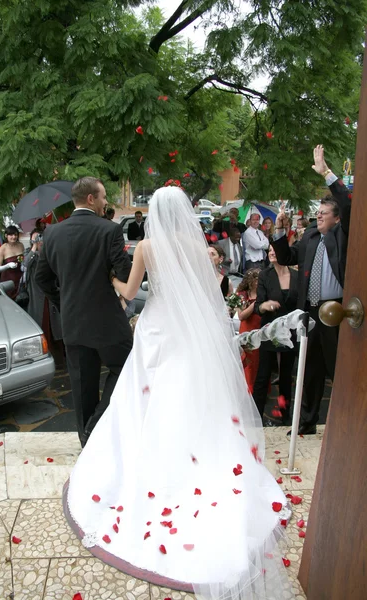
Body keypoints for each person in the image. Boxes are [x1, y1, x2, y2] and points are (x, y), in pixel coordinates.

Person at [64, 186, 290, 600]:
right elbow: (207, 292)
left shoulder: (147, 246)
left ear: (154, 213)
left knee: (144, 398)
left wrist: (110, 277)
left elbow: (130, 293)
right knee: (189, 394)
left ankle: (154, 458)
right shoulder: (196, 244)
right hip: (187, 331)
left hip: (156, 328)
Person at [35, 176, 132, 447]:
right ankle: (95, 428)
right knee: (127, 368)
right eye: (102, 197)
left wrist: (62, 300)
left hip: (72, 321)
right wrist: (112, 276)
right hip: (108, 321)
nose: (105, 203)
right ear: (91, 198)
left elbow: (42, 279)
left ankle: (87, 442)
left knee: (81, 385)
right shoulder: (109, 230)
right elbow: (124, 272)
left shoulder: (52, 233)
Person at [271, 145, 351, 435]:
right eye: (317, 213)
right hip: (310, 311)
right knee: (309, 370)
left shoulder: (343, 234)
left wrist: (326, 172)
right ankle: (306, 422)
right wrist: (279, 232)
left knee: (339, 371)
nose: (318, 217)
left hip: (337, 311)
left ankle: (345, 426)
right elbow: (285, 258)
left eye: (324, 213)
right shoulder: (310, 238)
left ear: (337, 217)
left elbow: (349, 203)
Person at [252, 247, 298, 425]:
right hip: (269, 330)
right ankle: (256, 418)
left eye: (274, 249)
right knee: (263, 376)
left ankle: (286, 417)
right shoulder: (265, 275)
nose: (271, 252)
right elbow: (258, 306)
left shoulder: (296, 276)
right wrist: (265, 306)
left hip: (290, 332)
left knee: (286, 377)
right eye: (269, 249)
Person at [24, 229, 64, 367]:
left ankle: (59, 359)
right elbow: (25, 265)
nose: (39, 241)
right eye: (35, 239)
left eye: (40, 238)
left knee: (56, 326)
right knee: (41, 324)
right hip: (37, 295)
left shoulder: (49, 251)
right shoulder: (29, 253)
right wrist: (34, 248)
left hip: (51, 292)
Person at [236, 269, 262, 394]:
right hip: (246, 329)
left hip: (260, 329)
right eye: (256, 280)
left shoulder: (264, 293)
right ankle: (247, 389)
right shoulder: (242, 294)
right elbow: (241, 316)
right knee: (247, 360)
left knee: (258, 361)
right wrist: (255, 304)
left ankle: (257, 388)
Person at [0, 225, 25, 300]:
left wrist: (23, 265)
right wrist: (7, 265)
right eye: (11, 235)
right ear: (6, 235)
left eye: (15, 234)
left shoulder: (20, 245)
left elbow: (22, 259)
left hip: (20, 278)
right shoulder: (3, 248)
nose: (14, 237)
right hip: (8, 279)